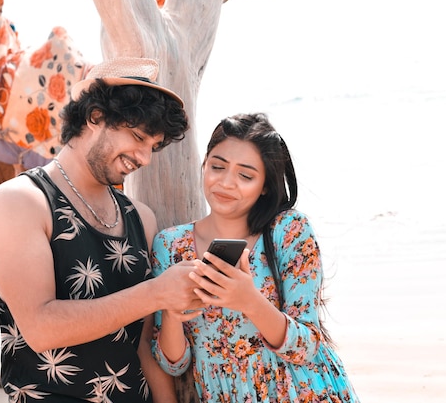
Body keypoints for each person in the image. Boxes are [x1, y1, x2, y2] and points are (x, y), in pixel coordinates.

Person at [0, 57, 204, 402]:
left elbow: (143, 346)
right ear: (95, 116)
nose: (145, 157)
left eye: (153, 147)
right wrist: (158, 292)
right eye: (137, 137)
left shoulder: (140, 218)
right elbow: (40, 328)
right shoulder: (19, 203)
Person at [150, 112, 361, 402]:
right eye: (217, 167)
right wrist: (174, 316)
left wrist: (249, 300)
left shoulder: (289, 231)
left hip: (304, 391)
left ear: (264, 185)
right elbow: (173, 363)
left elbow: (306, 345)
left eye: (245, 175)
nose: (226, 182)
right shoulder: (170, 245)